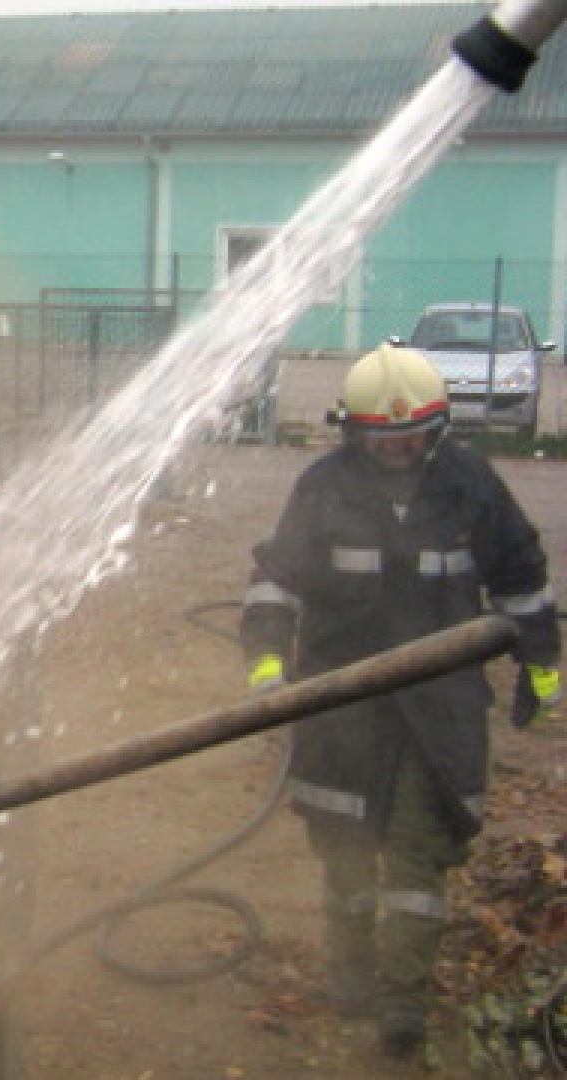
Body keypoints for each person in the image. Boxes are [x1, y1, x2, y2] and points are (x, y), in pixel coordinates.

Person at [238, 343, 560, 1061]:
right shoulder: (324, 487)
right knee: (346, 854)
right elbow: (277, 577)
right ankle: (352, 980)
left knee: (418, 858)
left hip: (439, 708)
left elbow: (521, 577)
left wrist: (540, 664)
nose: (397, 447)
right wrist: (266, 658)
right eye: (380, 438)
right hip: (341, 703)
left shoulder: (471, 485)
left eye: (410, 435)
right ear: (354, 432)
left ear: (438, 428)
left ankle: (402, 1004)